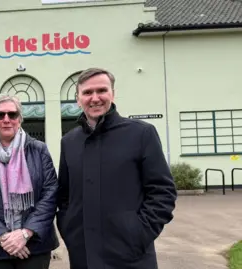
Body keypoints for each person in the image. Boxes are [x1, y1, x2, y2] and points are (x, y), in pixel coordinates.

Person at [57, 68, 177, 269]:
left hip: (130, 256)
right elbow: (64, 195)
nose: (95, 98)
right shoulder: (69, 142)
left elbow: (163, 192)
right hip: (83, 255)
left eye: (101, 90)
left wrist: (139, 233)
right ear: (78, 99)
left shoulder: (141, 134)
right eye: (87, 93)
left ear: (113, 93)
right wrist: (69, 230)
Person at [0, 94, 59, 269]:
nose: (6, 119)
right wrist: (3, 237)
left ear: (19, 120)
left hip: (34, 245)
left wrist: (25, 234)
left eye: (12, 115)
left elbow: (50, 193)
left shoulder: (38, 149)